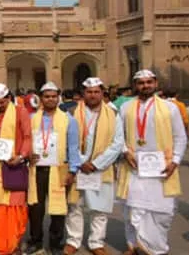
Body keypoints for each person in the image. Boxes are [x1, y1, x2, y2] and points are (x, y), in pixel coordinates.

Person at [118, 70, 186, 255]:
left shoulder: (169, 108)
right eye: (141, 83)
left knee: (162, 212)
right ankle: (133, 245)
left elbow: (180, 137)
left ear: (155, 84)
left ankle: (156, 248)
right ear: (135, 85)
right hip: (135, 166)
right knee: (133, 208)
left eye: (149, 82)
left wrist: (175, 161)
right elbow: (118, 135)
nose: (145, 86)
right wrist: (125, 152)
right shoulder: (126, 108)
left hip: (162, 168)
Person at [64, 77, 124, 255]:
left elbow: (117, 143)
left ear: (102, 93)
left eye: (96, 92)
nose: (93, 95)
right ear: (83, 93)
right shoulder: (72, 111)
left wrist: (96, 164)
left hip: (100, 168)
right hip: (77, 167)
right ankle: (73, 240)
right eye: (89, 92)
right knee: (74, 206)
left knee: (100, 207)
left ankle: (96, 242)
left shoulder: (113, 114)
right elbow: (65, 139)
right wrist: (79, 162)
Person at [25, 82, 81, 255]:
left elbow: (73, 147)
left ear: (58, 98)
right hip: (37, 169)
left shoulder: (68, 120)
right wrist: (27, 155)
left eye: (53, 96)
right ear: (41, 98)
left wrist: (72, 171)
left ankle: (56, 243)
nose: (50, 99)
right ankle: (36, 241)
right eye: (47, 96)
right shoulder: (32, 118)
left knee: (58, 208)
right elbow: (25, 142)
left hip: (59, 169)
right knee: (35, 208)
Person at [0, 83, 32, 255]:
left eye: (2, 102)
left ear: (9, 98)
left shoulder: (20, 112)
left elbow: (27, 136)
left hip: (14, 165)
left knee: (15, 206)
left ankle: (14, 242)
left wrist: (21, 156)